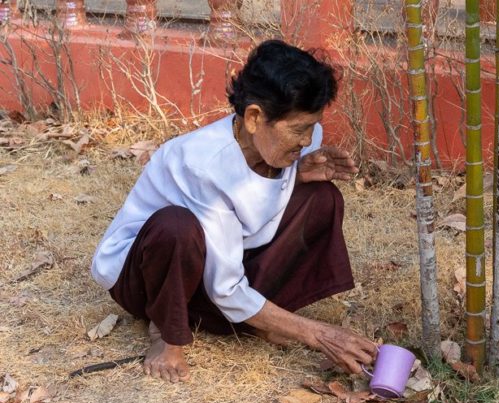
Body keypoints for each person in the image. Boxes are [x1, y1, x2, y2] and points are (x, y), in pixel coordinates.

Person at [91, 40, 377, 383]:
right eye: (299, 129)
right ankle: (167, 334)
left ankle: (251, 320)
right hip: (146, 276)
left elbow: (248, 210)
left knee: (322, 199)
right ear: (254, 118)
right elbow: (224, 285)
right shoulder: (202, 164)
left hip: (218, 262)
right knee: (177, 227)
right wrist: (318, 334)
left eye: (313, 126)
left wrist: (296, 178)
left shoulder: (296, 142)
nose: (308, 139)